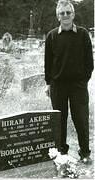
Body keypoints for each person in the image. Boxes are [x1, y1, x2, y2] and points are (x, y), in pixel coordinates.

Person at [44, 0, 94, 164]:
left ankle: (85, 153)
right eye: (62, 13)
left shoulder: (83, 33)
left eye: (68, 12)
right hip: (58, 86)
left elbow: (89, 62)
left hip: (78, 86)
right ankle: (61, 153)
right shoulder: (51, 36)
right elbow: (48, 63)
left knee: (81, 119)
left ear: (73, 14)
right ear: (57, 16)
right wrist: (48, 83)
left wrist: (83, 80)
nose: (65, 15)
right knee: (60, 120)